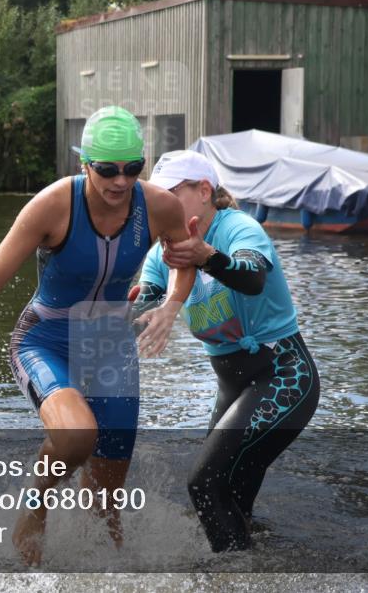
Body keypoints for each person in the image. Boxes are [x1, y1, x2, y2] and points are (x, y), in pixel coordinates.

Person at [0, 106, 196, 565]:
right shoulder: (54, 204)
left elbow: (185, 259)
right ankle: (34, 505)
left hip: (111, 347)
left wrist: (172, 304)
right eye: (107, 170)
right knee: (77, 436)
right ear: (85, 165)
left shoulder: (160, 205)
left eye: (132, 168)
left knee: (106, 511)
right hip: (45, 340)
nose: (121, 181)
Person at [135, 150, 320, 553]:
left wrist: (208, 257)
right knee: (229, 494)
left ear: (204, 191)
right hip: (232, 387)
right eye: (156, 198)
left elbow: (252, 278)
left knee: (204, 483)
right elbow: (145, 301)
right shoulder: (161, 252)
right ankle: (257, 564)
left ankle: (233, 577)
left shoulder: (239, 228)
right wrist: (129, 309)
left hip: (283, 376)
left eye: (171, 195)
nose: (161, 206)